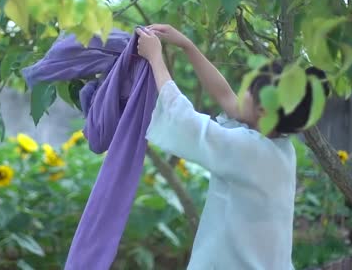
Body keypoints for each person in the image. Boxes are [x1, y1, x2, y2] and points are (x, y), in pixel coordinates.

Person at [135, 24, 329, 270]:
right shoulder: (280, 148)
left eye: (249, 89)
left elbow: (183, 120)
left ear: (262, 111)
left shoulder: (248, 151)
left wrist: (155, 58)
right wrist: (187, 45)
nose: (242, 92)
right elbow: (227, 98)